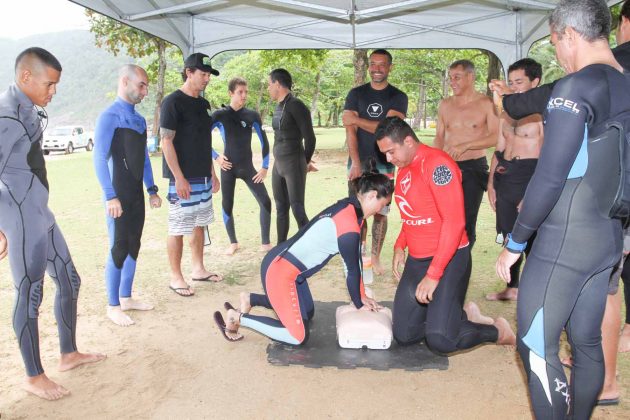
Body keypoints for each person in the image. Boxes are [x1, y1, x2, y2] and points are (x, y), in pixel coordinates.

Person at [490, 0, 630, 405]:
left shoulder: (575, 87)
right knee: (586, 343)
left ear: (569, 35)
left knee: (536, 345)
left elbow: (551, 176)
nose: (557, 53)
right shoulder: (625, 82)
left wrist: (516, 243)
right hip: (607, 236)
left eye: (554, 43)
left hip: (565, 238)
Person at [0, 47, 105, 400]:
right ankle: (33, 376)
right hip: (19, 215)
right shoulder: (6, 115)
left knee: (69, 279)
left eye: (57, 85)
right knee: (30, 293)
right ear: (25, 76)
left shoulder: (29, 109)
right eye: (50, 84)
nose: (53, 91)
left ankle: (69, 353)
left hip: (39, 211)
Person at [375, 117, 515, 355]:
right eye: (385, 154)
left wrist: (433, 274)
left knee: (440, 341)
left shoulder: (438, 165)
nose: (388, 159)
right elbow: (413, 213)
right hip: (418, 260)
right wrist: (400, 245)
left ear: (408, 141)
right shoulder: (405, 168)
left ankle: (497, 331)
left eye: (390, 151)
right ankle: (457, 317)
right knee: (405, 334)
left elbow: (455, 222)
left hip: (449, 261)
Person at [213, 172, 392, 344]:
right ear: (372, 196)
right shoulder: (349, 223)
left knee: (307, 312)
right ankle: (237, 317)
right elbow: (352, 270)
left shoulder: (351, 209)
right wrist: (360, 304)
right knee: (297, 337)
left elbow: (354, 262)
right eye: (383, 205)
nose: (381, 211)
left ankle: (251, 299)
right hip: (279, 271)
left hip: (289, 271)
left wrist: (361, 296)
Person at [94, 64, 162, 326]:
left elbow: (143, 158)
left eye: (146, 86)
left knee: (134, 244)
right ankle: (112, 306)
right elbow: (99, 158)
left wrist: (152, 189)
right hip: (118, 195)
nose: (145, 91)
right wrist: (111, 196)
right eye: (141, 85)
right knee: (118, 247)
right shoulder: (109, 116)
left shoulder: (138, 120)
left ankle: (126, 297)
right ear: (125, 82)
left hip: (135, 194)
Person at [160, 53, 222, 297]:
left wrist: (213, 173)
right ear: (189, 72)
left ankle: (198, 269)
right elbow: (166, 142)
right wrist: (179, 177)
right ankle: (176, 277)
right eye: (203, 74)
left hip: (203, 177)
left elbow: (204, 142)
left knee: (199, 223)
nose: (207, 79)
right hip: (182, 179)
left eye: (209, 75)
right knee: (178, 226)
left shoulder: (202, 104)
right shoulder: (172, 102)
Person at [342, 49, 408, 275]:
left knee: (381, 211)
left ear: (390, 67)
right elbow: (350, 131)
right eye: (373, 64)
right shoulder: (355, 94)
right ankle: (360, 253)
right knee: (357, 210)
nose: (376, 68)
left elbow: (385, 128)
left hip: (385, 161)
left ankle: (376, 257)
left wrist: (357, 119)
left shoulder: (398, 96)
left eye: (382, 64)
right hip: (358, 160)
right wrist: (356, 162)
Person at [486, 59, 543, 302]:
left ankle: (536, 294)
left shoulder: (542, 113)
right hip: (505, 176)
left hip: (529, 176)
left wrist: (533, 192)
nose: (514, 88)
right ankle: (512, 287)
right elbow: (499, 148)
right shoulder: (506, 112)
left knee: (532, 238)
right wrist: (491, 184)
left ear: (536, 82)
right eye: (511, 83)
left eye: (519, 82)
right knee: (509, 234)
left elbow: (550, 156)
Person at [434, 59, 499, 248]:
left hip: (473, 167)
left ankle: (462, 272)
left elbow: (496, 137)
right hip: (446, 167)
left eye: (457, 77)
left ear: (470, 77)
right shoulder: (445, 104)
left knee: (467, 221)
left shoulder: (486, 103)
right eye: (450, 78)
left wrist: (466, 146)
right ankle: (445, 266)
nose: (452, 82)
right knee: (443, 218)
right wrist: (434, 159)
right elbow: (439, 136)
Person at [211, 77, 272, 255]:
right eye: (240, 92)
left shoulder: (252, 115)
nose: (244, 95)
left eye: (246, 92)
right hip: (228, 168)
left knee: (266, 201)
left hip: (248, 168)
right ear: (231, 93)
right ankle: (233, 243)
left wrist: (265, 167)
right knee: (227, 204)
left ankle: (266, 243)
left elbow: (265, 142)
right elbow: (201, 139)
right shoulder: (219, 115)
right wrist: (217, 157)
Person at [267, 68, 317, 244]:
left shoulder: (296, 105)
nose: (268, 88)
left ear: (278, 84)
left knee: (297, 208)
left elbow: (310, 138)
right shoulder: (279, 106)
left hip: (293, 163)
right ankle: (281, 248)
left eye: (269, 84)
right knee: (281, 208)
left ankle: (311, 246)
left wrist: (304, 162)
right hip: (279, 165)